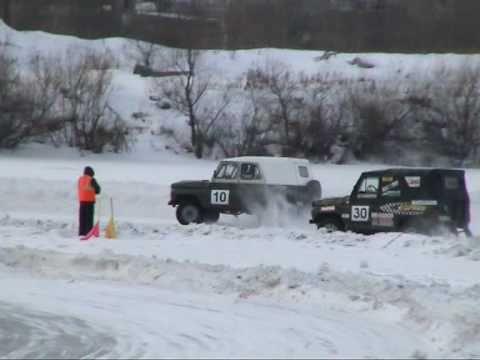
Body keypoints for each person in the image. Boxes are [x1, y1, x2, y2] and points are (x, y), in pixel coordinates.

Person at [78, 166, 101, 236]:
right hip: (89, 202)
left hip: (82, 201)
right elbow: (98, 190)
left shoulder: (80, 179)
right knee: (89, 219)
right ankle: (88, 233)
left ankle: (81, 233)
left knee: (82, 219)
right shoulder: (92, 179)